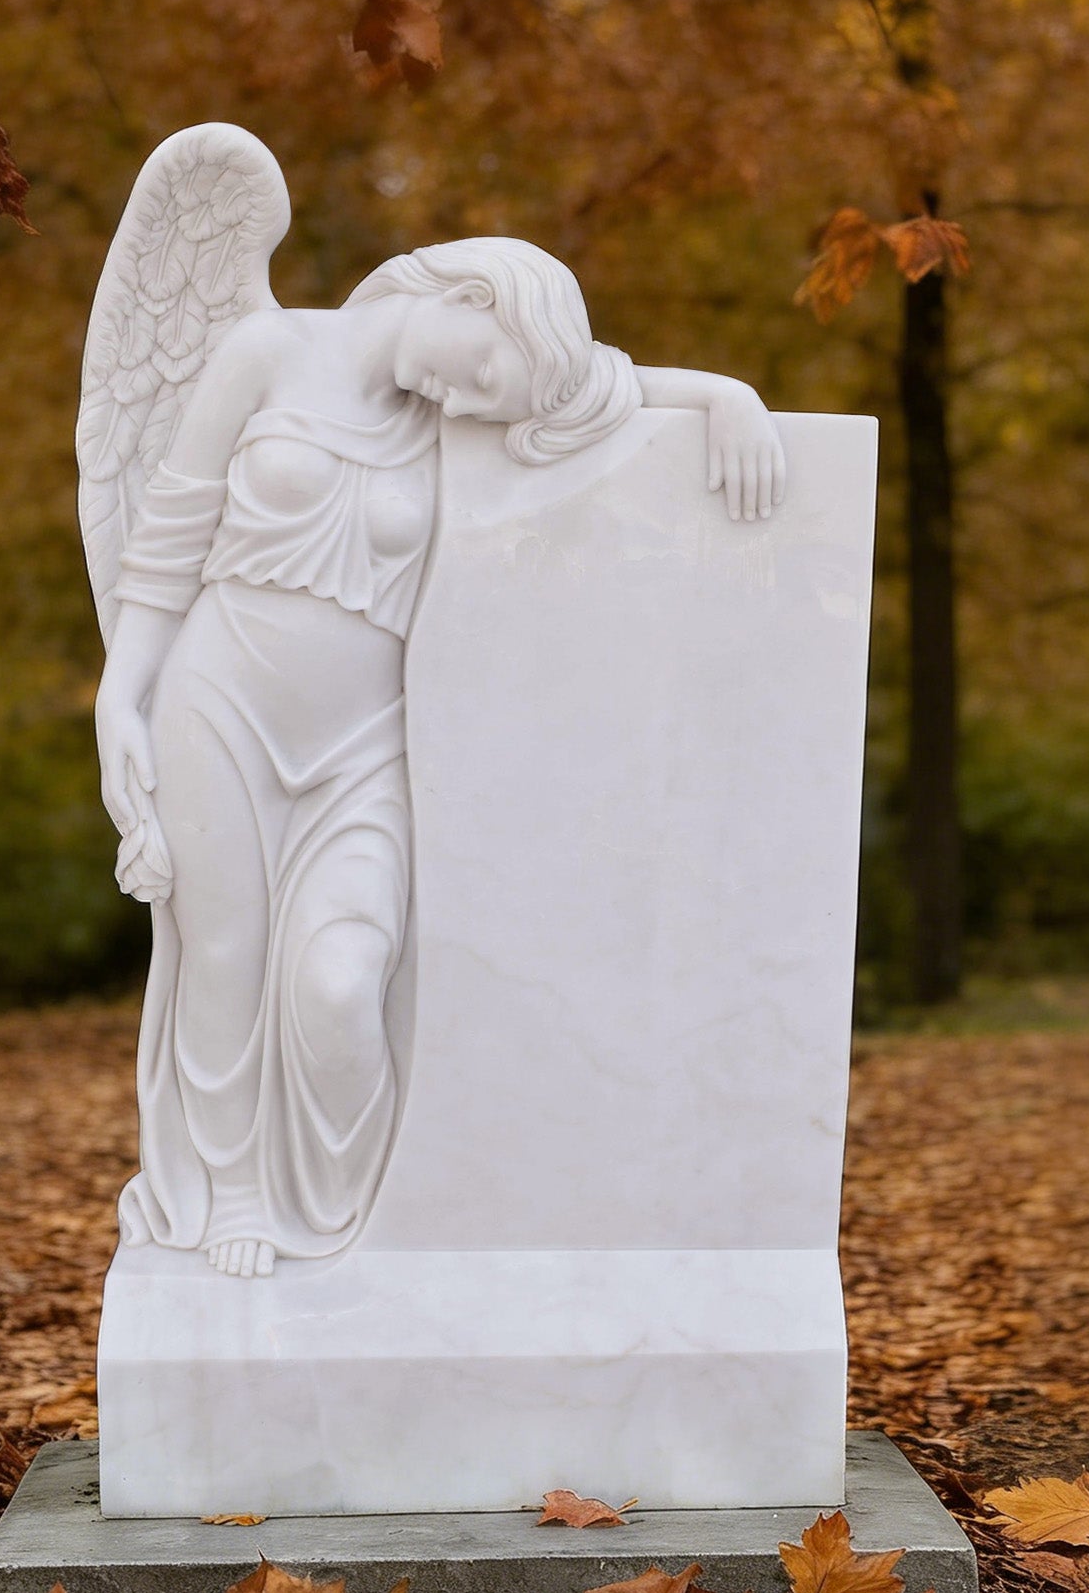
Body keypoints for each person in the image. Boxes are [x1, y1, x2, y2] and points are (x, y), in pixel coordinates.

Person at [93, 237, 785, 1277]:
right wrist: (120, 694)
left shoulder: (446, 420)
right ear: (475, 295)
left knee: (338, 980)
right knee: (224, 962)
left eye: (486, 406)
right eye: (484, 377)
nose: (464, 408)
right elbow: (167, 535)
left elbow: (617, 389)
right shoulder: (264, 349)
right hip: (216, 705)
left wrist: (727, 395)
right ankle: (234, 1189)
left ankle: (353, 1211)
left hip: (363, 749)